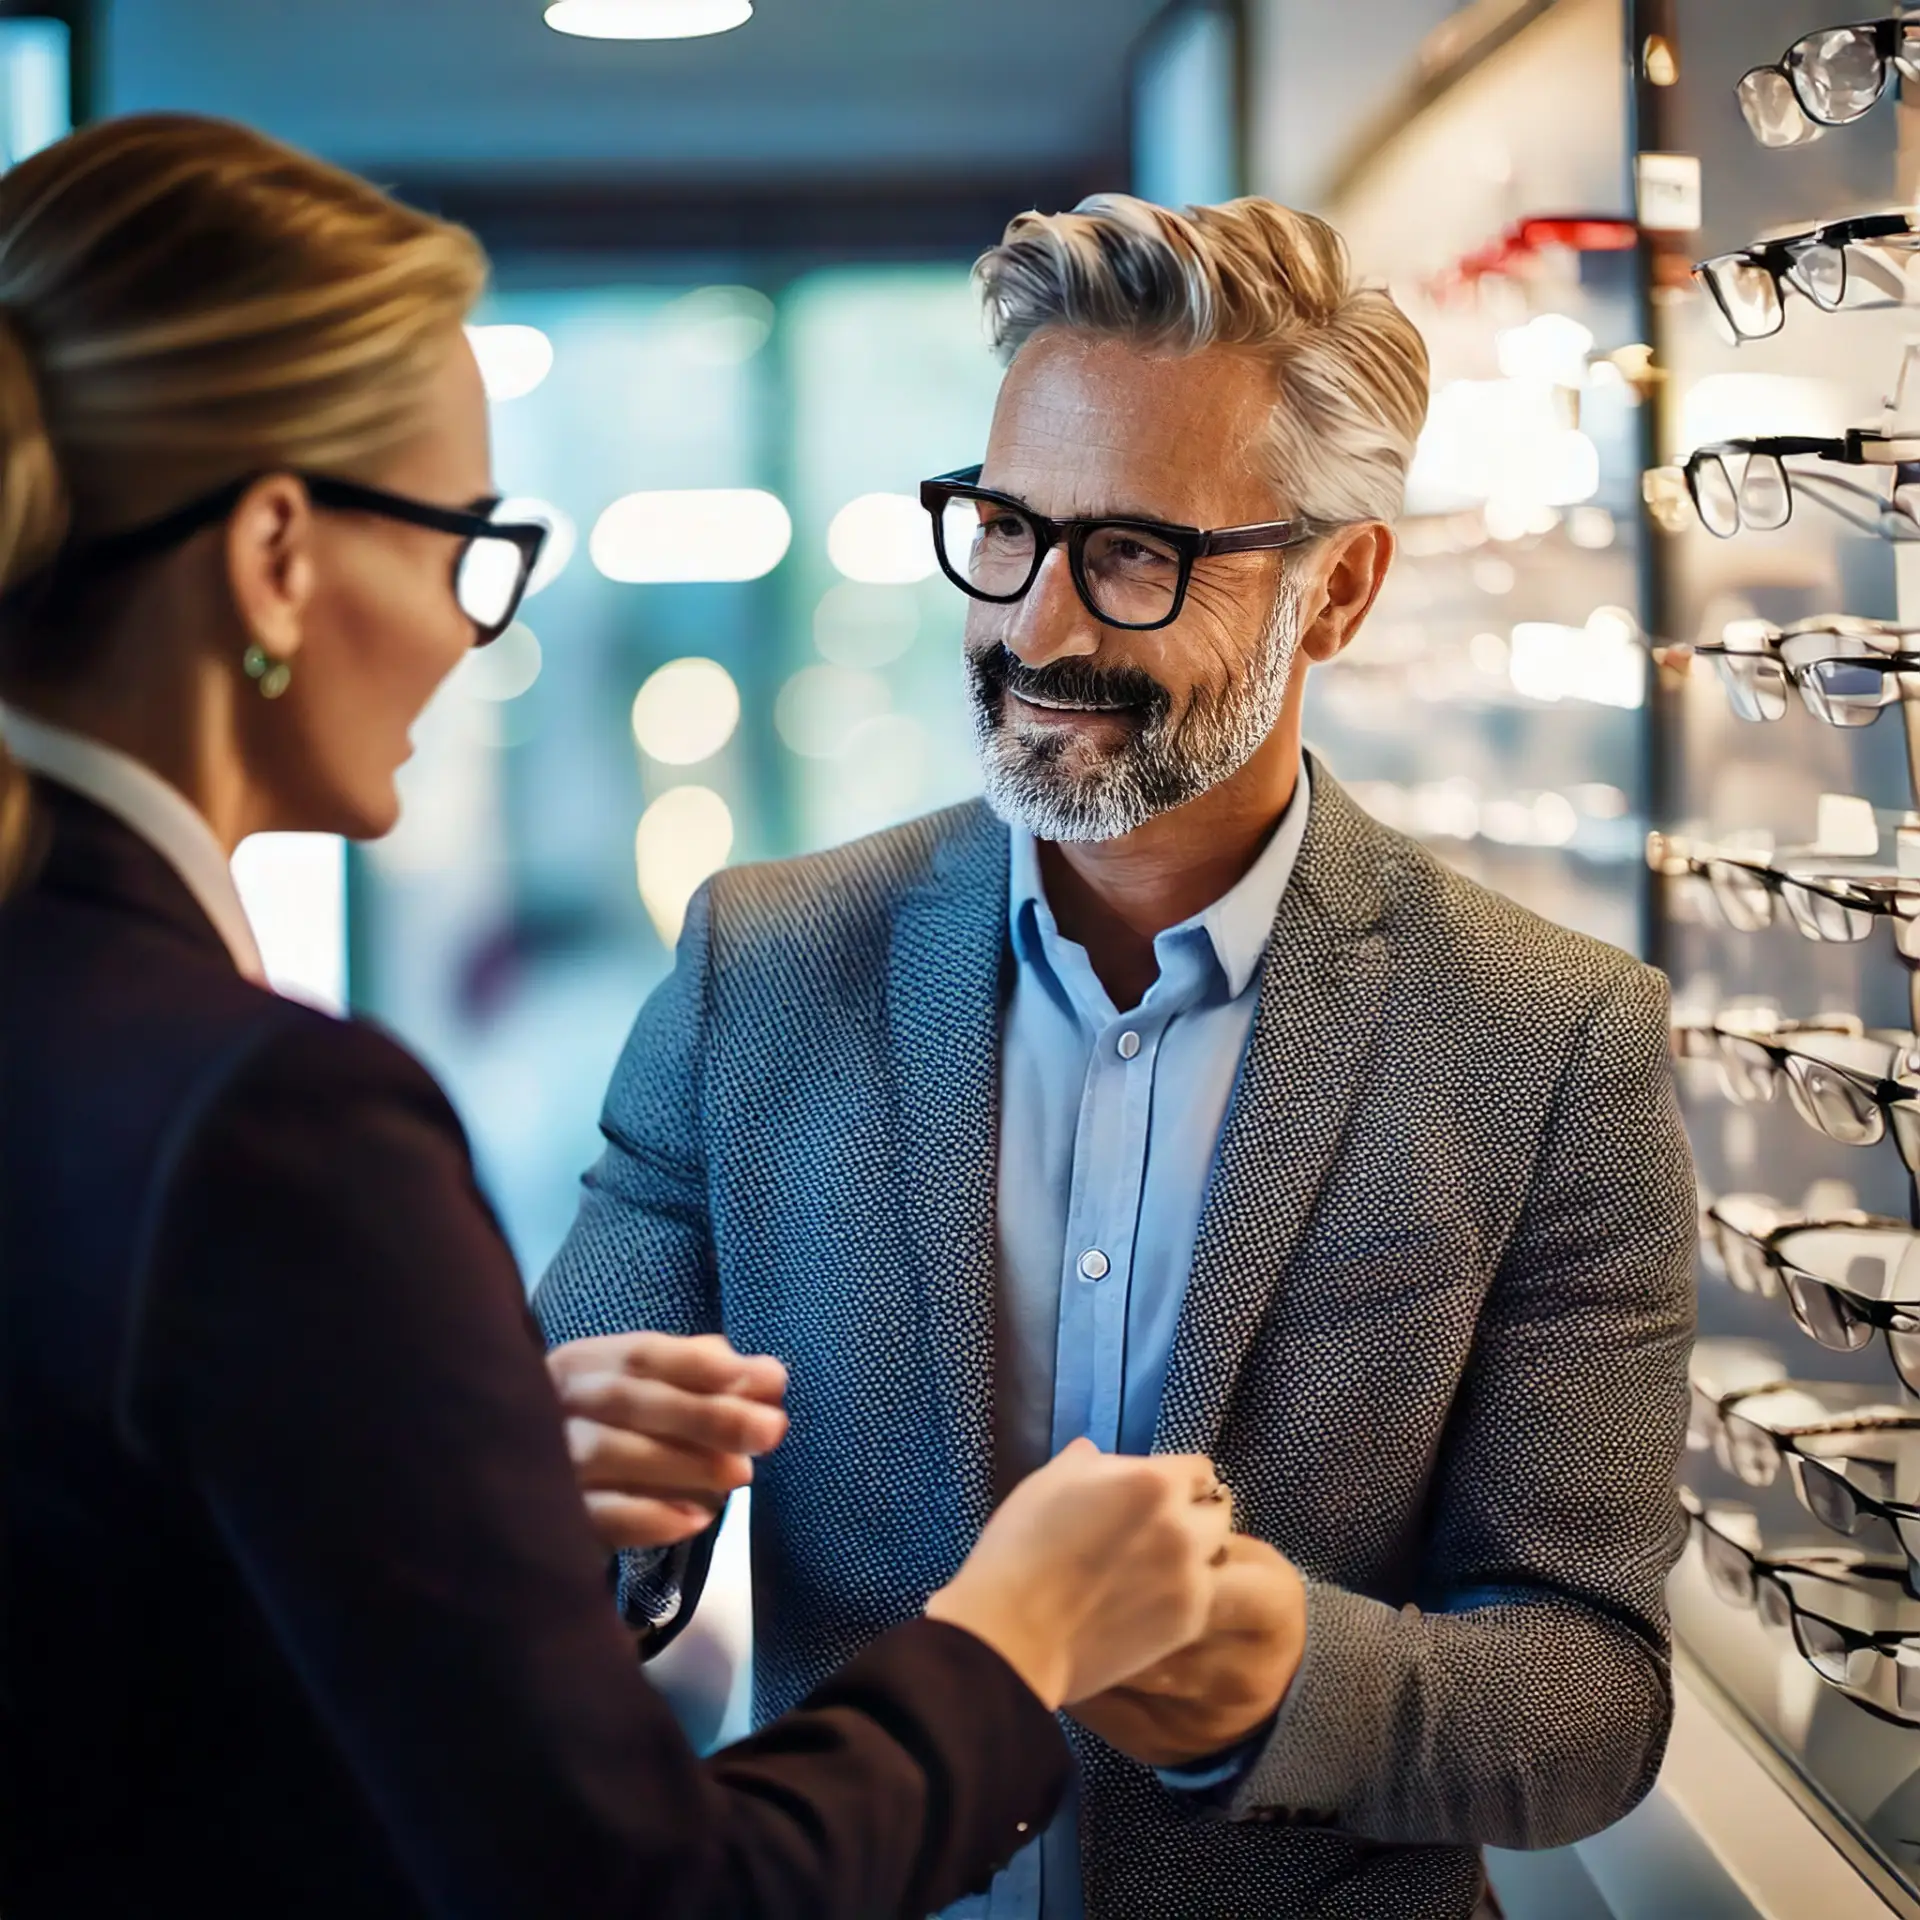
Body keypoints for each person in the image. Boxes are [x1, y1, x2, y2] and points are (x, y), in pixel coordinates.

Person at [0, 116, 1240, 1919]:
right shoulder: (274, 1119)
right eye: (461, 544)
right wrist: (1016, 1637)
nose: (471, 633)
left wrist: (426, 1483)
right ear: (275, 555)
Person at [538, 194, 1699, 1919]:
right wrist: (579, 1515)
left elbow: (1594, 1697)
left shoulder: (1549, 1040)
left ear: (1341, 590)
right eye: (1007, 528)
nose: (1040, 628)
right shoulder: (757, 968)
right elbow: (563, 1524)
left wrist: (1284, 1678)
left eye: (1138, 553)